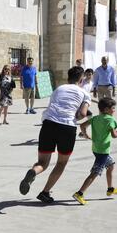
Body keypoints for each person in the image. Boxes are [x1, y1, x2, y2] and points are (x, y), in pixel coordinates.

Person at [19, 66, 91, 204]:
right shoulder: (83, 93)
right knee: (61, 163)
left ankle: (33, 172)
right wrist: (75, 117)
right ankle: (45, 192)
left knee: (42, 163)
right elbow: (82, 114)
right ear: (81, 79)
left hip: (48, 124)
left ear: (68, 78)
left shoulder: (59, 89)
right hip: (67, 127)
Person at [72, 98, 117, 205]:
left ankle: (110, 189)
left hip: (96, 149)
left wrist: (86, 135)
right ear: (106, 109)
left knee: (110, 166)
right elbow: (114, 135)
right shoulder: (110, 120)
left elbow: (82, 125)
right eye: (113, 108)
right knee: (94, 173)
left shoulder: (95, 118)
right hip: (103, 152)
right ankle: (79, 193)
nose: (114, 110)